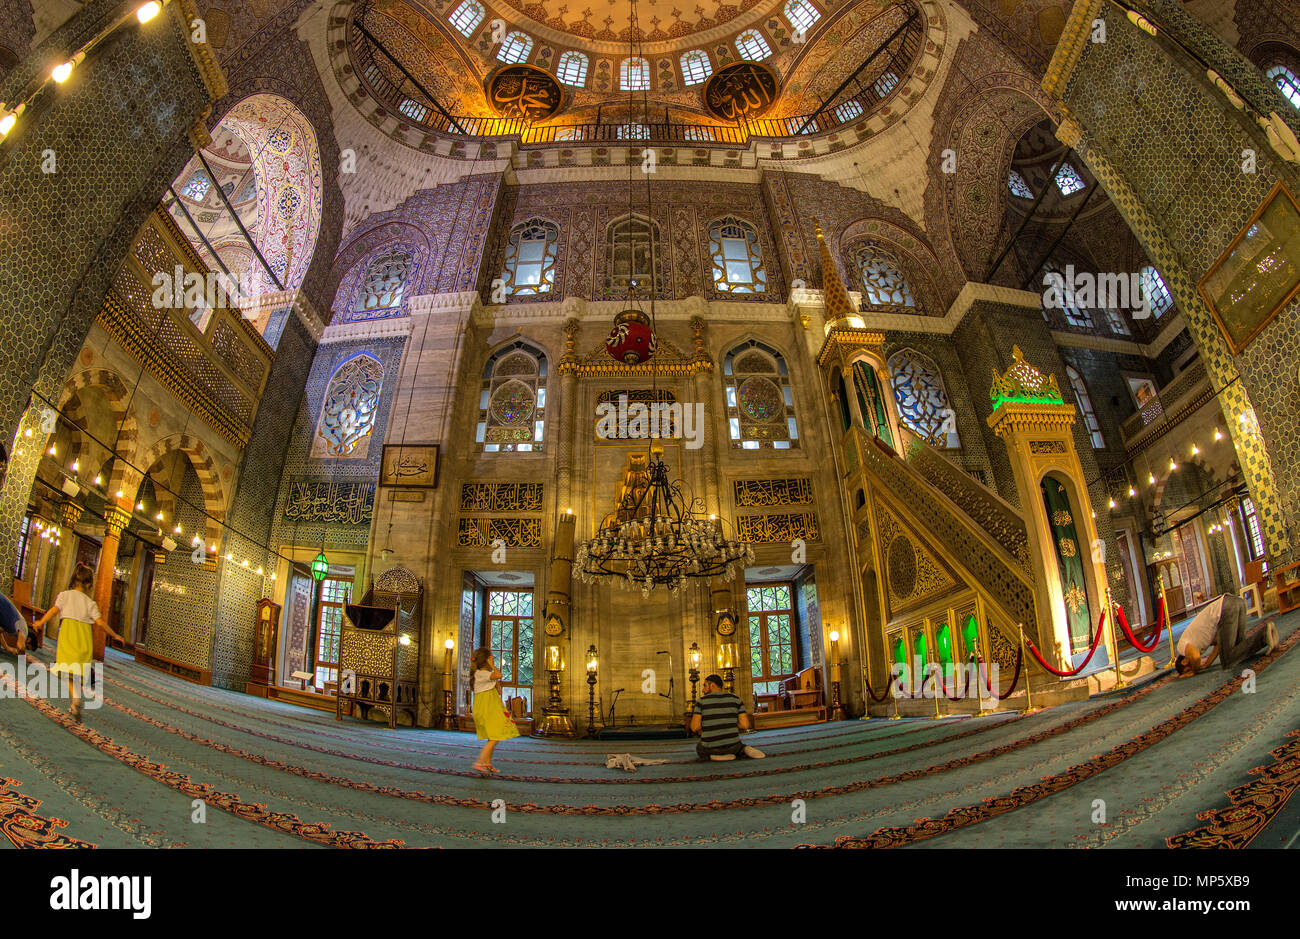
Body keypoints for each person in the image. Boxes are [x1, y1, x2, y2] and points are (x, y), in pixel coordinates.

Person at [31, 564, 125, 721]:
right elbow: (100, 623)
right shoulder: (90, 603)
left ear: (74, 580)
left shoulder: (64, 595)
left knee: (66, 672)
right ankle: (76, 700)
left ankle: (75, 700)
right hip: (84, 642)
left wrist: (41, 623)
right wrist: (115, 635)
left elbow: (54, 611)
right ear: (89, 584)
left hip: (68, 638)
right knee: (78, 674)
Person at [1174, 593, 1277, 677]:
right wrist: (1207, 664)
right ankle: (1269, 634)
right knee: (1239, 648)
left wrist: (1193, 672)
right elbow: (1219, 643)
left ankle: (1264, 634)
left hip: (1226, 609)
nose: (1192, 667)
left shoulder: (1181, 648)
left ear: (1184, 662)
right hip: (1237, 602)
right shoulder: (1196, 640)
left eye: (1188, 668)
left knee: (1228, 661)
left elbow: (1195, 658)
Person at [689, 674, 765, 761]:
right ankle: (744, 749)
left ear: (712, 685)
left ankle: (713, 756)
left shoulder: (701, 702)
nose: (703, 690)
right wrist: (730, 724)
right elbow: (745, 725)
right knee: (739, 745)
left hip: (711, 748)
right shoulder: (736, 699)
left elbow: (694, 727)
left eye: (705, 686)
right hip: (733, 747)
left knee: (700, 748)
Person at [469, 646, 518, 774]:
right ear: (486, 660)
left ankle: (487, 763)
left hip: (490, 706)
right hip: (487, 708)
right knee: (495, 737)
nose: (493, 660)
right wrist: (493, 666)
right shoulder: (481, 673)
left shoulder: (484, 674)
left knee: (493, 737)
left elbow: (498, 688)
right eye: (491, 658)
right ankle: (479, 762)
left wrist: (496, 682)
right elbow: (499, 675)